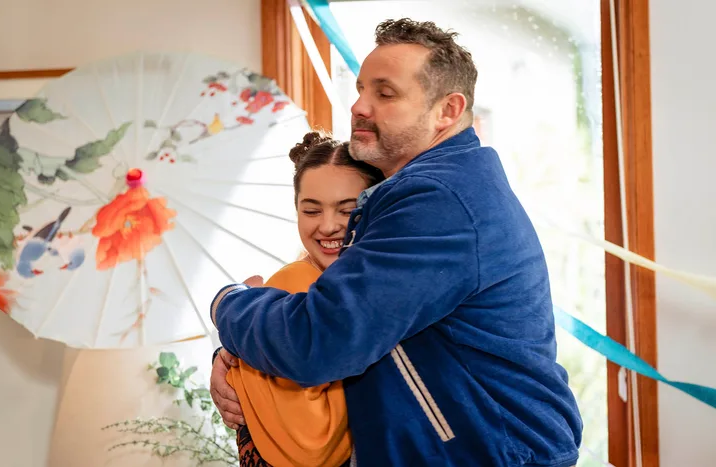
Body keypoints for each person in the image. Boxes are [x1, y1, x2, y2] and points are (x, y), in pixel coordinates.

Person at [210, 18, 583, 466]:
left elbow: (320, 341)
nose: (359, 106)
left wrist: (229, 302)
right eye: (361, 88)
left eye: (385, 94)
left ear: (447, 110)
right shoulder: (433, 187)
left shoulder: (437, 198)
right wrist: (232, 355)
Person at [226, 130, 384, 467]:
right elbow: (312, 442)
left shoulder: (376, 286)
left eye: (347, 210)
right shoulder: (295, 284)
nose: (327, 227)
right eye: (311, 211)